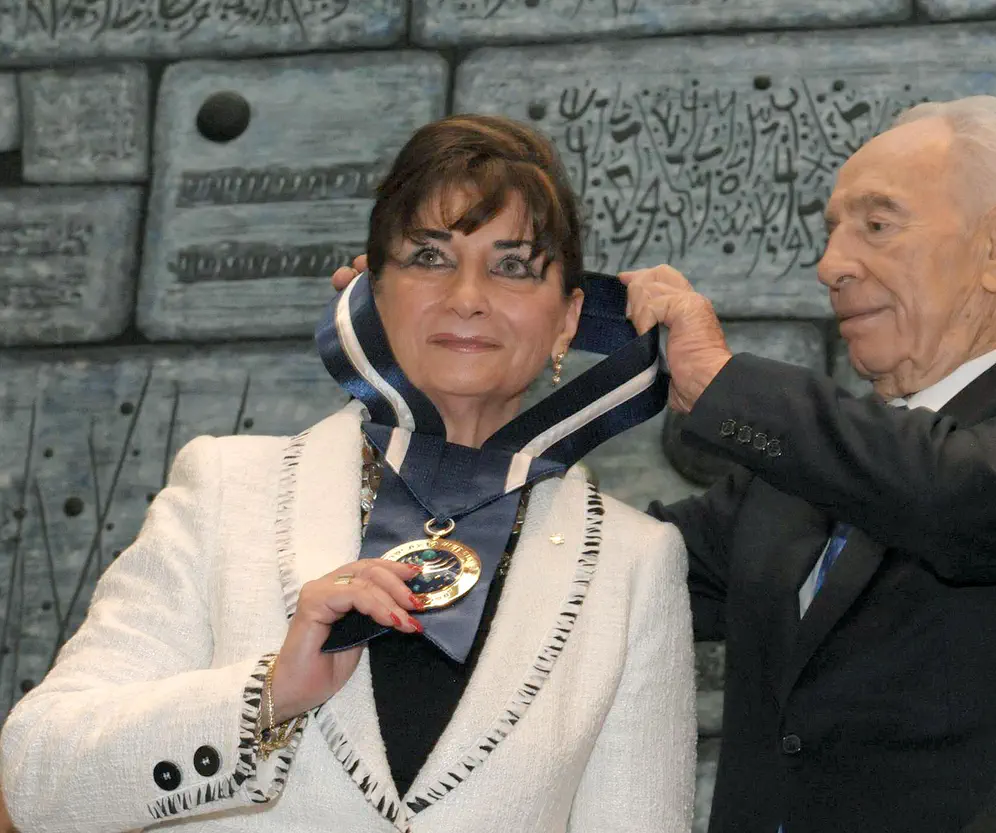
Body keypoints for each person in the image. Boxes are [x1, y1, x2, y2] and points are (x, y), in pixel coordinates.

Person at [331, 96, 996, 832]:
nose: (830, 265)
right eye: (830, 232)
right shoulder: (789, 487)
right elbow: (578, 576)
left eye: (877, 225)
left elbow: (947, 488)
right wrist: (451, 334)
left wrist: (721, 381)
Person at [0, 115, 696, 833]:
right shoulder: (226, 490)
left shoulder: (633, 563)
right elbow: (34, 778)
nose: (468, 296)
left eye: (513, 265)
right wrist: (269, 695)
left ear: (568, 319)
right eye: (429, 256)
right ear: (370, 291)